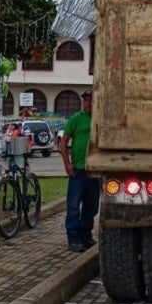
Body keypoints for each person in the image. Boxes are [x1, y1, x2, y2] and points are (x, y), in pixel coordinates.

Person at [59, 90, 100, 252]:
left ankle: (86, 235)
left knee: (92, 206)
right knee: (74, 205)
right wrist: (67, 164)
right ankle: (73, 238)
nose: (88, 103)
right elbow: (63, 142)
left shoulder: (99, 119)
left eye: (90, 100)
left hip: (94, 169)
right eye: (85, 101)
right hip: (78, 169)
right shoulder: (76, 119)